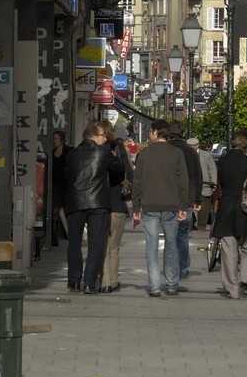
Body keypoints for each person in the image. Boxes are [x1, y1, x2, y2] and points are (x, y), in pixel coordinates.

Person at [130, 120, 191, 297]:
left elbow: (137, 182)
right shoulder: (177, 153)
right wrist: (183, 205)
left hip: (150, 205)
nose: (150, 134)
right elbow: (183, 181)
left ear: (156, 133)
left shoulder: (145, 154)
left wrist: (136, 207)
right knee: (171, 245)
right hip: (171, 205)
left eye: (151, 131)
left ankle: (155, 285)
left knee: (152, 246)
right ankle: (171, 283)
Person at [64, 121, 123, 293]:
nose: (105, 139)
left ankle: (74, 281)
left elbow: (67, 175)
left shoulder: (72, 153)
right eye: (102, 136)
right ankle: (89, 283)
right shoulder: (103, 151)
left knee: (74, 244)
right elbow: (119, 167)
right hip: (97, 203)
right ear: (93, 136)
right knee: (95, 244)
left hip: (75, 202)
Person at [212, 131, 247, 300]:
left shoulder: (222, 161)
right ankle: (246, 282)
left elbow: (220, 183)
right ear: (246, 146)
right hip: (245, 205)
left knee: (229, 247)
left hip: (227, 205)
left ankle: (231, 287)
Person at [98, 121, 133, 293]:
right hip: (117, 203)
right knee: (114, 247)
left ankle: (104, 282)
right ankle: (113, 280)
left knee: (103, 246)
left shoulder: (96, 151)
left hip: (99, 203)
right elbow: (129, 173)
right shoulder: (119, 150)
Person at [166, 121, 202, 278]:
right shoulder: (191, 151)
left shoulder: (166, 149)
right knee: (183, 235)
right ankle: (183, 268)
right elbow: (197, 177)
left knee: (170, 236)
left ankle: (171, 268)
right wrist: (198, 200)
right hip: (186, 199)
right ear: (183, 134)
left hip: (167, 198)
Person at [191, 137, 218, 229]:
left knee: (204, 207)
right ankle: (190, 225)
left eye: (193, 146)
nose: (191, 148)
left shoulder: (206, 155)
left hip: (204, 185)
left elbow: (212, 169)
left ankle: (201, 226)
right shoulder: (185, 154)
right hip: (190, 185)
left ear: (197, 145)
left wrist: (213, 182)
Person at [51, 130, 69, 246]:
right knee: (55, 210)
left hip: (66, 184)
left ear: (62, 139)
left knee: (68, 210)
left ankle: (69, 232)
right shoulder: (51, 152)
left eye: (57, 138)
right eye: (54, 138)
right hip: (55, 184)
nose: (55, 140)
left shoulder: (68, 151)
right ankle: (54, 235)